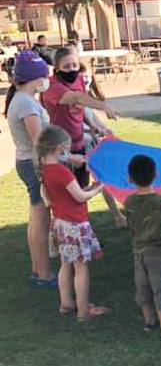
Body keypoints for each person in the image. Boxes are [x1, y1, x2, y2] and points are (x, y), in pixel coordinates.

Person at [36, 125, 110, 321]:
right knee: (81, 267)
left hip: (61, 223)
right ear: (60, 148)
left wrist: (88, 188)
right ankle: (83, 311)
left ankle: (66, 302)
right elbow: (79, 197)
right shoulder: (62, 172)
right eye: (67, 149)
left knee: (66, 263)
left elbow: (67, 195)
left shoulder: (46, 170)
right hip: (75, 224)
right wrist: (97, 189)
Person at [4, 50, 61, 288]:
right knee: (41, 220)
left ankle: (38, 270)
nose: (46, 79)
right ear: (34, 78)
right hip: (34, 163)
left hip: (27, 161)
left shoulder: (22, 99)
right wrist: (63, 155)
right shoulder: (26, 103)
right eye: (44, 75)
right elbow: (39, 141)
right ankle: (44, 274)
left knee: (35, 217)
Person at [41, 47, 117, 188]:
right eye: (66, 67)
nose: (72, 70)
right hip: (61, 148)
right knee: (67, 191)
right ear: (57, 68)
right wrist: (104, 106)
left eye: (74, 65)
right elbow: (76, 98)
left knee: (82, 185)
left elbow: (80, 105)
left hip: (79, 143)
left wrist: (92, 124)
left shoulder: (79, 80)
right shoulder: (52, 86)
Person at [125, 155, 161, 341]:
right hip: (160, 252)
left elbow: (130, 225)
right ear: (156, 174)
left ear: (130, 178)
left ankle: (149, 322)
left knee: (143, 288)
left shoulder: (129, 202)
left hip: (138, 252)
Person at [78, 63, 127, 228]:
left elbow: (93, 120)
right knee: (93, 183)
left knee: (102, 180)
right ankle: (79, 219)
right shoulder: (77, 99)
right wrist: (98, 131)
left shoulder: (86, 98)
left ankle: (117, 215)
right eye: (82, 76)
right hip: (85, 147)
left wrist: (106, 131)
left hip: (93, 144)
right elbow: (80, 124)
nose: (85, 79)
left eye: (87, 76)